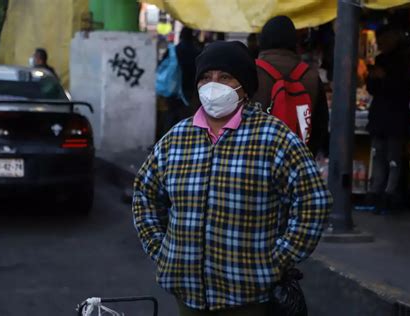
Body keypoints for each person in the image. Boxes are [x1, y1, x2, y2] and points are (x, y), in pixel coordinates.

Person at [133, 41, 331, 315]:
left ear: (245, 87)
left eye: (225, 77)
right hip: (186, 293)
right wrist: (162, 251)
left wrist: (277, 260)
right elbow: (145, 195)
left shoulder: (275, 138)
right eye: (206, 77)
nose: (214, 85)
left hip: (246, 298)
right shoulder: (176, 138)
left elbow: (314, 202)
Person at [252, 15, 329, 158]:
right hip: (297, 158)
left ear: (262, 40)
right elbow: (320, 125)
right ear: (294, 42)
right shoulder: (311, 76)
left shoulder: (250, 72)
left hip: (256, 159)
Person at [365, 24, 410, 212]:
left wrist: (384, 77)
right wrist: (374, 78)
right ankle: (378, 190)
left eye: (383, 40)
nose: (381, 44)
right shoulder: (381, 59)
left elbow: (404, 88)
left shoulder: (404, 60)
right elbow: (372, 88)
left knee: (392, 157)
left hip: (394, 117)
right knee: (379, 155)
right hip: (381, 117)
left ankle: (389, 192)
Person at [162, 27, 201, 135]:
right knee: (187, 117)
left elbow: (162, 67)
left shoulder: (173, 50)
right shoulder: (197, 52)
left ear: (180, 36)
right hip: (189, 89)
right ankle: (183, 138)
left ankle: (167, 138)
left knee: (170, 114)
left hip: (172, 88)